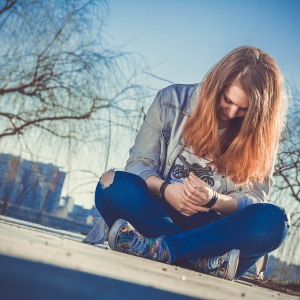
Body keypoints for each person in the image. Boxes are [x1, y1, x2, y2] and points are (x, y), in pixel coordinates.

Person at [94, 46, 290, 281]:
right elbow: (139, 164)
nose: (231, 112)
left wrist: (216, 200)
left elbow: (256, 198)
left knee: (275, 221)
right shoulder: (171, 101)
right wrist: (167, 191)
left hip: (215, 231)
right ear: (216, 85)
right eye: (227, 100)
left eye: (243, 110)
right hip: (158, 212)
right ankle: (199, 260)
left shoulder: (263, 135)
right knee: (111, 184)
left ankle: (159, 248)